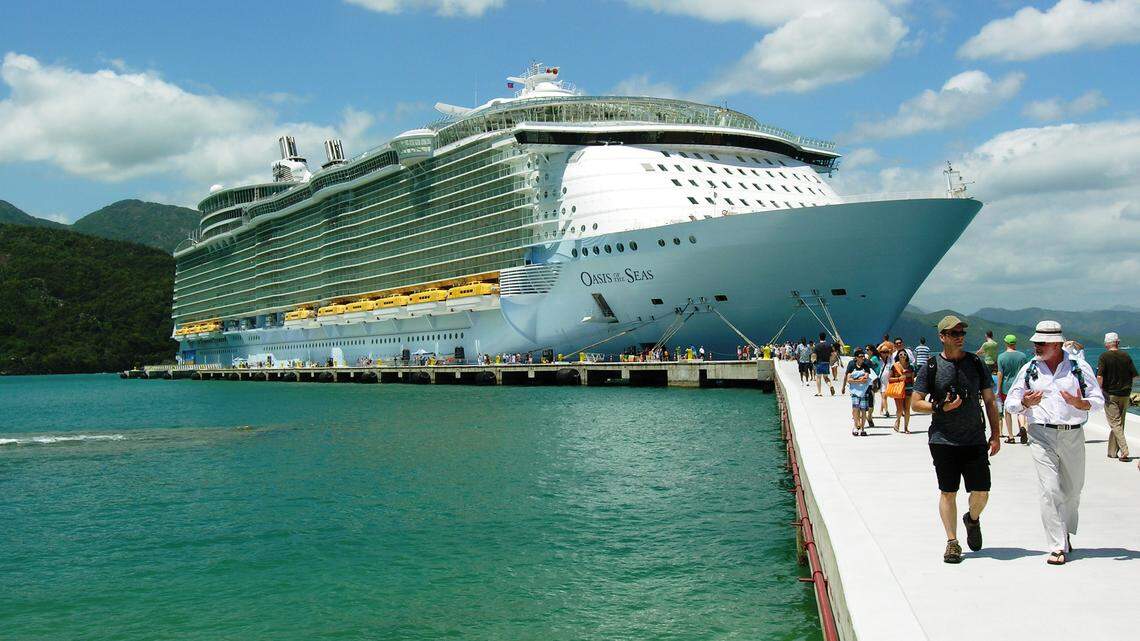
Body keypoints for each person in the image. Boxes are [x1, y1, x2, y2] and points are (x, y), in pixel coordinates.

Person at [1005, 320, 1105, 565]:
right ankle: (1057, 545)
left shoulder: (1078, 367)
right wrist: (1027, 404)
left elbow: (1098, 400)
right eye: (1036, 342)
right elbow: (1010, 403)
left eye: (1042, 343)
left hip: (1072, 433)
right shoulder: (1030, 369)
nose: (1037, 346)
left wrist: (1080, 404)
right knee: (1050, 490)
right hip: (1041, 433)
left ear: (1057, 344)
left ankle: (1065, 532)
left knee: (1073, 490)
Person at [911, 315, 1001, 564]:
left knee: (981, 492)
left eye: (962, 333)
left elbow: (990, 401)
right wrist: (940, 407)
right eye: (954, 334)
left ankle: (972, 519)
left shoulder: (976, 363)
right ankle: (952, 542)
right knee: (948, 492)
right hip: (943, 440)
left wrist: (996, 434)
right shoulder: (931, 367)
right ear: (942, 337)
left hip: (974, 438)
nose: (960, 337)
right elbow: (916, 403)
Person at [1096, 332, 1138, 462]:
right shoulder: (1126, 355)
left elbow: (1100, 376)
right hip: (1125, 394)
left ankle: (1124, 450)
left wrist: (1099, 390)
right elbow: (1135, 375)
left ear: (1106, 344)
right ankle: (1112, 452)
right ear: (1117, 343)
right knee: (1120, 423)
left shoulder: (1104, 356)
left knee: (1115, 423)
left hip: (1111, 394)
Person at [996, 334, 1030, 444]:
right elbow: (1026, 371)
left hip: (1006, 387)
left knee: (1007, 411)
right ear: (1015, 343)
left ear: (1006, 343)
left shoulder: (1001, 357)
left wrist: (998, 389)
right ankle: (1023, 427)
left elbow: (1000, 374)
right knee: (1022, 409)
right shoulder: (1022, 356)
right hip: (1020, 386)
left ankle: (1011, 436)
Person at [847, 350, 873, 436]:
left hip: (864, 392)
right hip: (854, 392)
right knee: (855, 409)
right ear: (856, 357)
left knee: (863, 410)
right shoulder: (851, 366)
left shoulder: (866, 366)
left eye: (863, 356)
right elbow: (848, 379)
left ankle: (862, 428)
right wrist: (859, 380)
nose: (862, 358)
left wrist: (855, 380)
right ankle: (855, 426)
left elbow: (866, 379)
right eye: (860, 356)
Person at [889, 350, 916, 433]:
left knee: (907, 409)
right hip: (898, 389)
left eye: (904, 354)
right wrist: (898, 379)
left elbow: (912, 379)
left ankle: (906, 427)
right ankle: (897, 421)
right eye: (900, 354)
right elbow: (889, 379)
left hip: (908, 389)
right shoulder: (894, 366)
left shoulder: (911, 367)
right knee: (900, 409)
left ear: (907, 356)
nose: (903, 355)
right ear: (898, 356)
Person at [813, 332, 835, 396]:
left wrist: (814, 361)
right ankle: (830, 386)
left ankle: (819, 392)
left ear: (819, 337)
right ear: (825, 337)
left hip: (819, 363)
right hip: (826, 363)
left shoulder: (817, 345)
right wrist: (830, 360)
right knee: (826, 377)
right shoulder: (829, 345)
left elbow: (814, 355)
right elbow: (833, 354)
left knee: (818, 377)